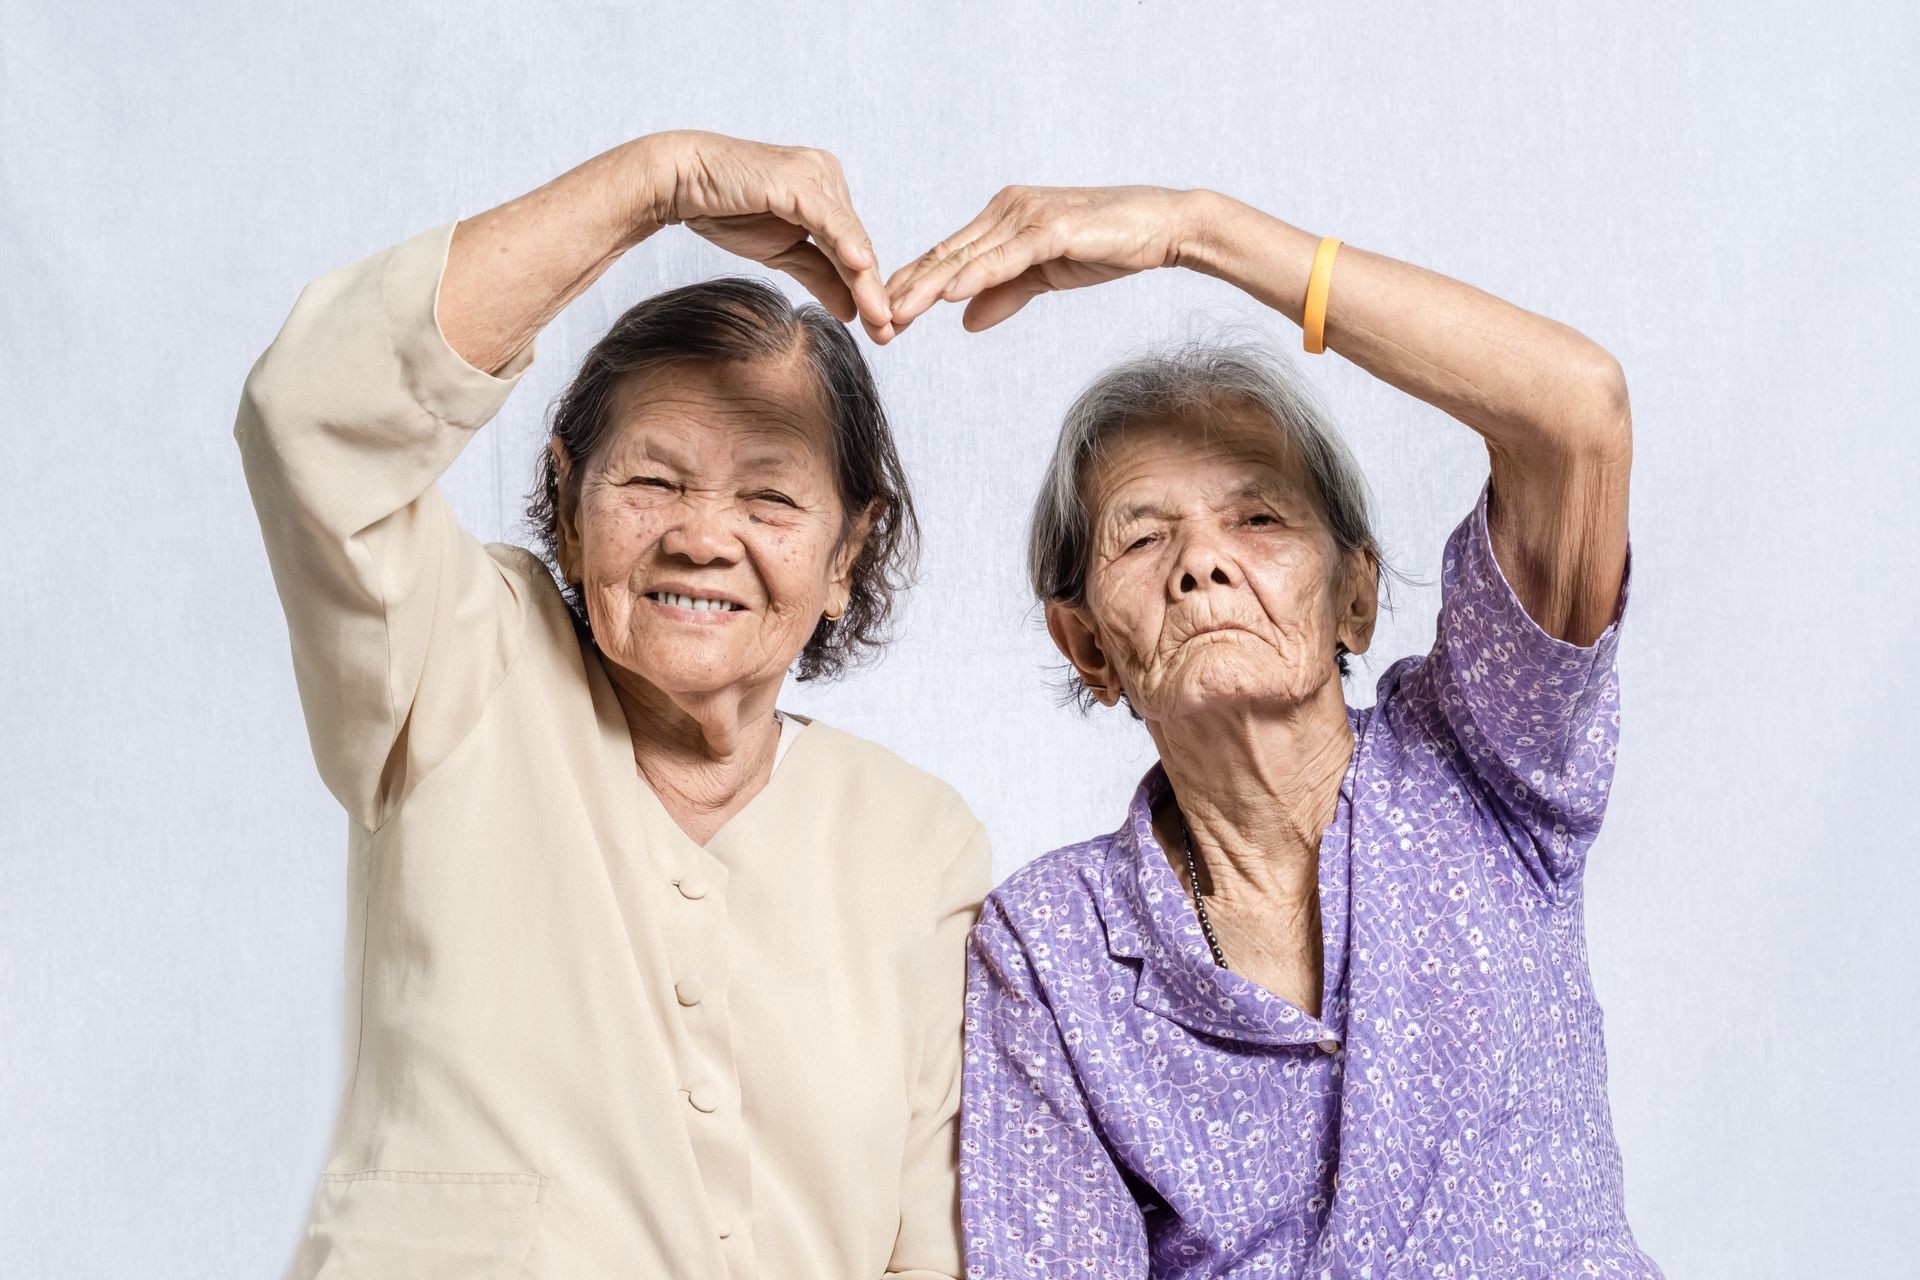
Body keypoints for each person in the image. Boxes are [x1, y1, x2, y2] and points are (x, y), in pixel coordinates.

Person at [234, 130, 990, 1279]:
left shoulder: (923, 841)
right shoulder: (462, 664)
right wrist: (661, 183)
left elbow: (933, 1249)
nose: (702, 534)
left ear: (849, 552)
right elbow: (312, 415)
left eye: (771, 494)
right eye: (650, 478)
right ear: (569, 502)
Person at [888, 185, 1660, 1276]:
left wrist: (1198, 232)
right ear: (1089, 647)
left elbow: (1577, 412)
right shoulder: (1052, 944)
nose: (1203, 562)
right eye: (1144, 536)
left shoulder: (1484, 759)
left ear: (1354, 594)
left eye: (1259, 518)